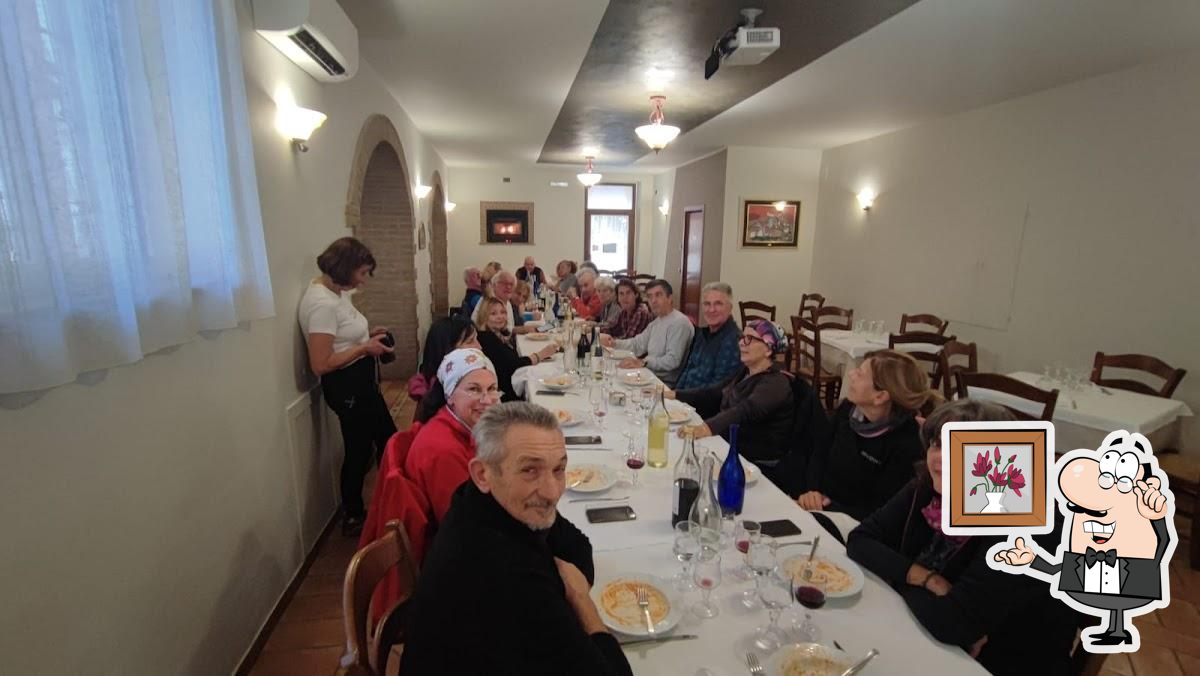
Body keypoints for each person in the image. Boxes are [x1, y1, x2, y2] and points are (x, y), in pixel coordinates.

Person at [399, 403, 634, 676]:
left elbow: (577, 545)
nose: (551, 491)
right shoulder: (505, 574)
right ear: (482, 474)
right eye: (530, 470)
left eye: (558, 469)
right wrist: (581, 601)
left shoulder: (485, 500)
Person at [847, 399, 1078, 675]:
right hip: (934, 637)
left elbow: (953, 623)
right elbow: (860, 540)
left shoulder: (1024, 523)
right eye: (937, 443)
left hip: (1001, 661)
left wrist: (895, 575)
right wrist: (926, 579)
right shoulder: (931, 487)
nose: (939, 458)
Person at [299, 237, 397, 536]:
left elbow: (342, 336)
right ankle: (355, 515)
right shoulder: (320, 304)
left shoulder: (336, 293)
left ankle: (390, 502)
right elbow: (321, 363)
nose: (364, 281)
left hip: (362, 384)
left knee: (387, 440)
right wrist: (363, 348)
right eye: (362, 273)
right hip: (347, 388)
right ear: (345, 268)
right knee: (359, 450)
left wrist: (368, 336)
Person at [798, 350, 941, 521]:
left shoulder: (907, 443)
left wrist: (826, 506)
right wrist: (811, 492)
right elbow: (819, 453)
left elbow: (883, 511)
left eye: (860, 374)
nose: (851, 374)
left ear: (880, 396)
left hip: (854, 525)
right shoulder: (847, 411)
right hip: (818, 508)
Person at [670, 319, 795, 467]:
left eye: (749, 339)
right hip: (730, 445)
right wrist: (675, 394)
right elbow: (716, 393)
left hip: (755, 462)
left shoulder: (776, 382)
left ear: (768, 349)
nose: (741, 343)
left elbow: (745, 410)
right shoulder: (746, 371)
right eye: (742, 337)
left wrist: (707, 428)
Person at [405, 348, 501, 521]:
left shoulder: (460, 424)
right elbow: (464, 523)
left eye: (492, 388)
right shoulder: (444, 451)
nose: (487, 400)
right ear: (449, 395)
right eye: (474, 389)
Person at [599, 279, 693, 387]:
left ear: (670, 298)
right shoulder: (656, 322)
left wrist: (644, 362)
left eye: (658, 295)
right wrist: (614, 343)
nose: (653, 300)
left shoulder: (679, 323)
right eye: (650, 296)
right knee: (611, 380)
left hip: (664, 384)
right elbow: (637, 344)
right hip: (649, 375)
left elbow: (673, 360)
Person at [475, 297, 558, 402]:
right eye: (493, 314)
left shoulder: (497, 335)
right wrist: (540, 355)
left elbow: (508, 360)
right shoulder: (487, 339)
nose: (500, 317)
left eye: (503, 312)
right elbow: (514, 365)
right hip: (505, 398)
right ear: (484, 317)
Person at [672, 282, 742, 390]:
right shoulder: (701, 334)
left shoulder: (733, 341)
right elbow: (687, 370)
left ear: (730, 308)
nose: (711, 310)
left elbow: (717, 390)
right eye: (707, 304)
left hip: (703, 404)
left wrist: (679, 396)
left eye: (718, 304)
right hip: (683, 399)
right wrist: (674, 394)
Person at [408, 317, 481, 406]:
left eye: (477, 339)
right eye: (470, 341)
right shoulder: (439, 398)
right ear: (448, 349)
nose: (479, 347)